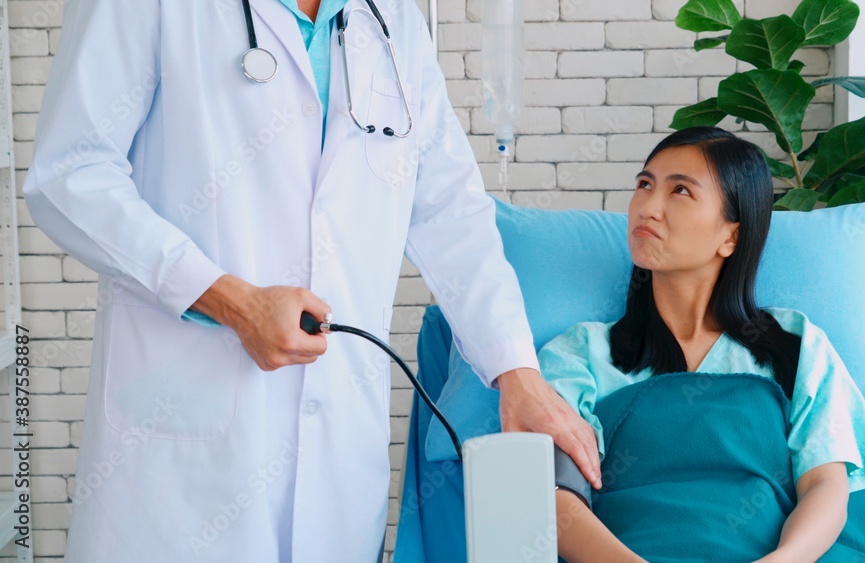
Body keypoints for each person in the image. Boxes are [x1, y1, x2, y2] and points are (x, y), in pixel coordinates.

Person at [21, 0, 599, 561]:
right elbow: (71, 175)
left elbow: (451, 214)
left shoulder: (391, 19)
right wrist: (229, 300)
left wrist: (516, 372)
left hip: (338, 451)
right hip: (184, 451)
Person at [538, 127, 865, 562]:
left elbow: (824, 485)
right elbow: (555, 499)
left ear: (731, 236)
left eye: (681, 191)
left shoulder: (794, 345)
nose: (647, 208)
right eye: (644, 185)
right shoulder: (579, 354)